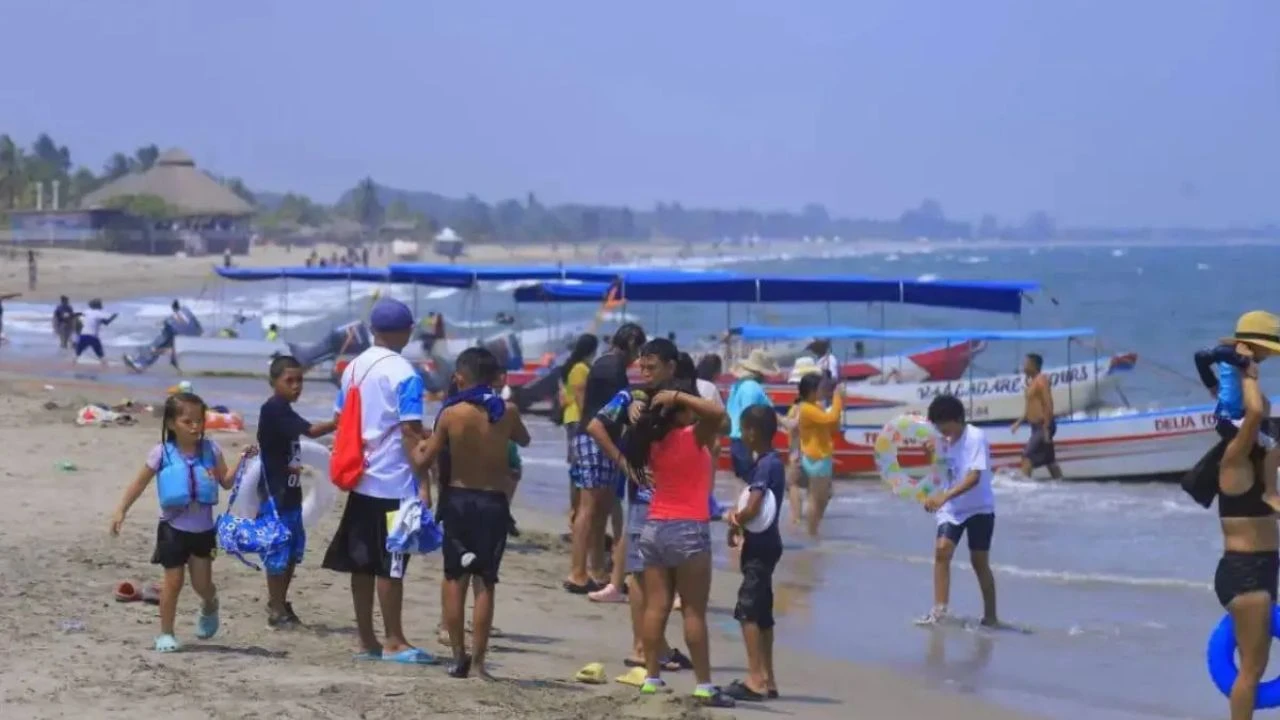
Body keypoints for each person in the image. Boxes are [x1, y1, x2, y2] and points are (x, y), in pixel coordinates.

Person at [321, 298, 434, 664]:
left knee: (362, 562)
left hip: (361, 477)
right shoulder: (405, 374)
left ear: (373, 330)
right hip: (394, 480)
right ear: (405, 330)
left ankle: (366, 640)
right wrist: (425, 482)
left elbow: (341, 417)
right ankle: (395, 641)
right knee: (391, 564)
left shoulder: (353, 367)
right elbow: (410, 431)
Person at [412, 347, 530, 679]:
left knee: (454, 578)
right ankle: (479, 663)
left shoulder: (452, 414)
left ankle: (458, 657)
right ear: (493, 378)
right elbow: (524, 439)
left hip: (459, 499)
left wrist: (415, 446)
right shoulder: (506, 411)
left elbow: (425, 460)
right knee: (485, 583)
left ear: (460, 378)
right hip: (493, 502)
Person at [583, 339, 695, 672]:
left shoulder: (679, 401)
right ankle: (643, 646)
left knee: (659, 579)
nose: (644, 373)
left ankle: (653, 645)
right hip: (647, 501)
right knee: (643, 577)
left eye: (651, 367)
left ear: (670, 368)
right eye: (642, 367)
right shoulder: (632, 397)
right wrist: (622, 461)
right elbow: (594, 424)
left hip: (675, 502)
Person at [109, 392, 250, 652]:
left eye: (199, 420)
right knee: (172, 583)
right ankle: (166, 633)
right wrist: (121, 510)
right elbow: (139, 483)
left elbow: (226, 482)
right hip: (173, 529)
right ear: (172, 424)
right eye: (188, 421)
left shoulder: (211, 450)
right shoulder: (161, 453)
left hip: (203, 531)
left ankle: (210, 604)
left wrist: (242, 460)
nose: (195, 426)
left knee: (202, 585)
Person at [632, 374, 734, 707]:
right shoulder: (692, 436)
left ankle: (651, 677)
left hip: (655, 526)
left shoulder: (653, 442)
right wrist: (679, 394)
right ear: (680, 411)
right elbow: (718, 416)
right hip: (688, 528)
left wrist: (672, 399)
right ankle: (704, 684)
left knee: (656, 607)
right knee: (693, 610)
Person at [1212, 328, 1280, 720]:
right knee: (1251, 672)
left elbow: (1262, 411)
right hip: (1245, 573)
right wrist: (1247, 371)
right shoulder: (1233, 462)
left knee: (1256, 668)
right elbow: (1254, 413)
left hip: (1262, 570)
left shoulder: (1263, 466)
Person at [565, 323, 647, 594]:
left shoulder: (605, 364)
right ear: (632, 344)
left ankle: (597, 570)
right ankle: (578, 572)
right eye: (638, 352)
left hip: (596, 437)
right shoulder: (613, 369)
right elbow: (613, 411)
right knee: (589, 507)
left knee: (600, 507)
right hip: (595, 438)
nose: (638, 359)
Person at [257, 355, 337, 628]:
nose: (296, 386)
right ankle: (275, 606)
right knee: (278, 551)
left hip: (291, 493)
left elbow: (302, 435)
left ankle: (279, 601)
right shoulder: (273, 409)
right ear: (273, 382)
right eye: (289, 380)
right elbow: (313, 432)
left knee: (292, 552)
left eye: (300, 380)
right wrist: (340, 420)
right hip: (274, 494)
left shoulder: (286, 410)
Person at [918, 394, 998, 627]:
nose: (943, 432)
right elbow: (941, 472)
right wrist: (932, 491)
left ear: (958, 420)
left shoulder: (976, 437)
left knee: (979, 561)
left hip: (980, 508)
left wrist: (945, 496)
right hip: (952, 509)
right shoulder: (941, 439)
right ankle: (939, 612)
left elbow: (974, 477)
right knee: (942, 551)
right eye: (938, 428)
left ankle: (991, 617)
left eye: (945, 427)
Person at [724, 405, 785, 702]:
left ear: (752, 432)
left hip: (761, 547)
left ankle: (755, 679)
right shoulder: (774, 462)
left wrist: (734, 519)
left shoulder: (765, 466)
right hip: (768, 542)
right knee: (762, 615)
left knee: (747, 611)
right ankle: (769, 679)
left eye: (743, 429)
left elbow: (754, 506)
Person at [794, 372, 844, 537]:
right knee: (816, 498)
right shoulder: (806, 408)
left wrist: (836, 407)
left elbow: (832, 426)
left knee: (823, 498)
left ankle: (812, 531)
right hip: (816, 457)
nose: (824, 391)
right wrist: (838, 398)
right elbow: (830, 419)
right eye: (821, 388)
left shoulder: (815, 407)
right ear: (811, 391)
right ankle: (812, 534)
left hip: (821, 456)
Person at [560, 333, 599, 530]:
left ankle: (576, 510)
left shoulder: (578, 368)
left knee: (578, 467)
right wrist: (590, 423)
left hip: (573, 419)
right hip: (577, 420)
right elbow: (581, 399)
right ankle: (575, 511)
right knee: (578, 468)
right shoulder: (580, 369)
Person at [725, 349, 778, 484]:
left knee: (743, 484)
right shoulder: (752, 388)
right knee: (754, 483)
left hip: (737, 439)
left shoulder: (737, 386)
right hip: (749, 441)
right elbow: (752, 417)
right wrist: (754, 448)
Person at [781, 357, 822, 526]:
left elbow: (793, 426)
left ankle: (796, 520)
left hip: (798, 452)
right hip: (815, 452)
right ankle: (813, 522)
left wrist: (777, 418)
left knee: (793, 484)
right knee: (813, 487)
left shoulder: (801, 407)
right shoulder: (818, 405)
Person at [1011, 353, 1062, 479]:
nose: (1023, 367)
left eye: (1026, 364)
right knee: (1050, 460)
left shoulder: (1041, 380)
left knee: (1027, 457)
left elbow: (1048, 404)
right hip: (1036, 427)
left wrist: (1046, 428)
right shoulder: (1032, 382)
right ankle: (1061, 485)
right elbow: (1030, 407)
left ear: (1033, 366)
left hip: (1043, 426)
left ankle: (1024, 489)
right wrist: (1019, 421)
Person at [73, 299, 117, 369]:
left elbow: (78, 316)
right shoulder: (99, 313)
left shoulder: (86, 311)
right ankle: (106, 368)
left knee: (77, 353)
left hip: (83, 335)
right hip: (93, 337)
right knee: (100, 354)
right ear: (98, 306)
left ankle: (72, 366)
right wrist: (114, 316)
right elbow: (106, 323)